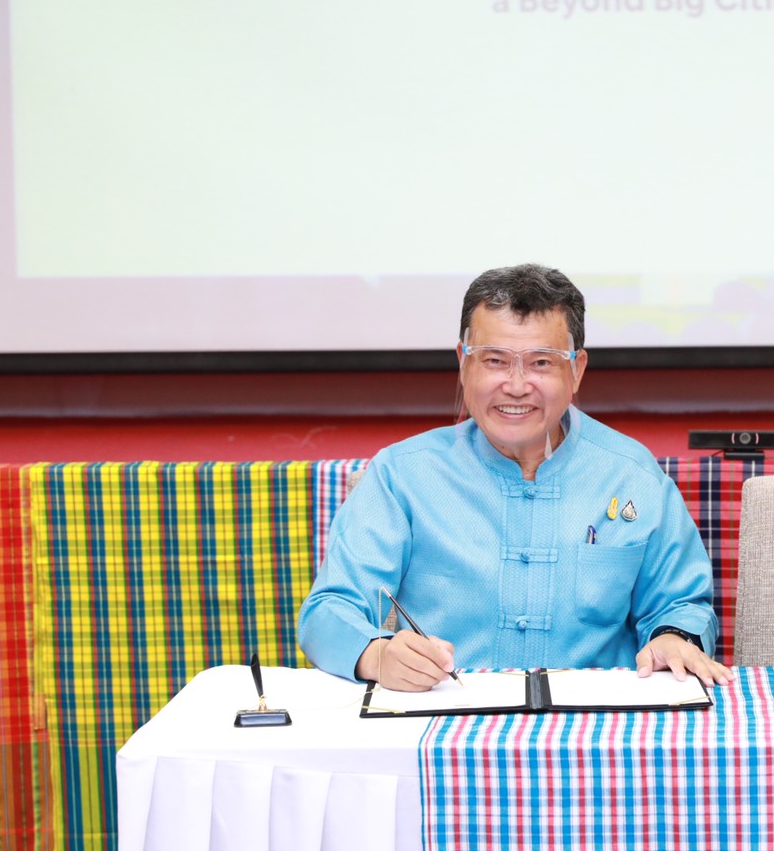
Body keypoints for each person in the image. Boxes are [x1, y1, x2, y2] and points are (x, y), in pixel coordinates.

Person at [299, 264, 731, 689]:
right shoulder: (402, 474)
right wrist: (377, 655)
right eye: (495, 360)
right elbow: (330, 609)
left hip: (596, 718)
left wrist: (673, 637)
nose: (517, 385)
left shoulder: (631, 474)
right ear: (463, 363)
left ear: (576, 369)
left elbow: (680, 605)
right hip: (447, 713)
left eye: (541, 362)